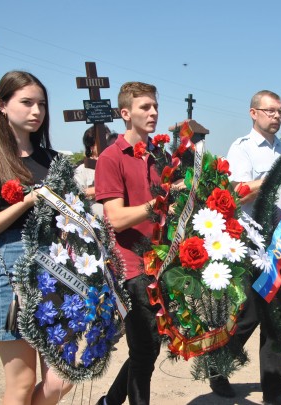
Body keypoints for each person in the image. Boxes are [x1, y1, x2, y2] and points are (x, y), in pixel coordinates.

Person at [0, 71, 73, 404]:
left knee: (62, 378)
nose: (36, 111)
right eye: (26, 102)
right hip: (8, 274)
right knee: (21, 385)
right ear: (3, 105)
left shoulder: (54, 160)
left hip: (54, 272)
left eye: (42, 104)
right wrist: (25, 202)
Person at [214, 90, 281, 405]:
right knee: (248, 315)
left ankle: (274, 388)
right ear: (253, 113)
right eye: (270, 111)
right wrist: (276, 175)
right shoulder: (242, 149)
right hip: (252, 243)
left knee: (277, 316)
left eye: (280, 112)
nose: (276, 116)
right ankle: (218, 364)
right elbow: (239, 193)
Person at [94, 82, 166, 405]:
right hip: (130, 268)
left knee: (150, 347)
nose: (153, 113)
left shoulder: (160, 156)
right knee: (144, 349)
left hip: (161, 264)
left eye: (155, 106)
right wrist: (159, 203)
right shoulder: (111, 157)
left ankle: (109, 401)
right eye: (144, 107)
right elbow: (116, 218)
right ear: (125, 113)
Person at [74, 124, 113, 218]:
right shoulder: (81, 169)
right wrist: (101, 190)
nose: (106, 146)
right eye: (102, 142)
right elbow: (77, 196)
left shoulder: (115, 165)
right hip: (94, 218)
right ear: (91, 146)